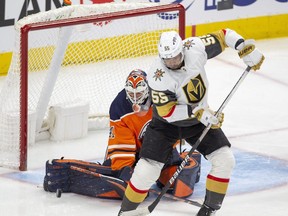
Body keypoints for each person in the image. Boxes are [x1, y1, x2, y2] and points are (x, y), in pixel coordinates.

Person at [118, 29, 265, 215]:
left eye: (175, 57)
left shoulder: (194, 47)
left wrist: (244, 47)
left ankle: (209, 209)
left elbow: (224, 35)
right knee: (146, 172)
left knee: (225, 159)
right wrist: (199, 112)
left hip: (198, 122)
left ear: (182, 50)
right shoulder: (157, 75)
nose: (171, 62)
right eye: (167, 59)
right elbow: (167, 112)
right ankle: (125, 212)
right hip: (166, 126)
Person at [43, 69, 200, 200]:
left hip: (157, 152)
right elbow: (120, 145)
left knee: (181, 187)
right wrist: (125, 169)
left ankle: (184, 162)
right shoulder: (119, 107)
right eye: (132, 94)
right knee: (131, 189)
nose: (135, 99)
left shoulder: (161, 97)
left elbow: (173, 125)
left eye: (139, 94)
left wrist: (169, 151)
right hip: (130, 153)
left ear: (148, 89)